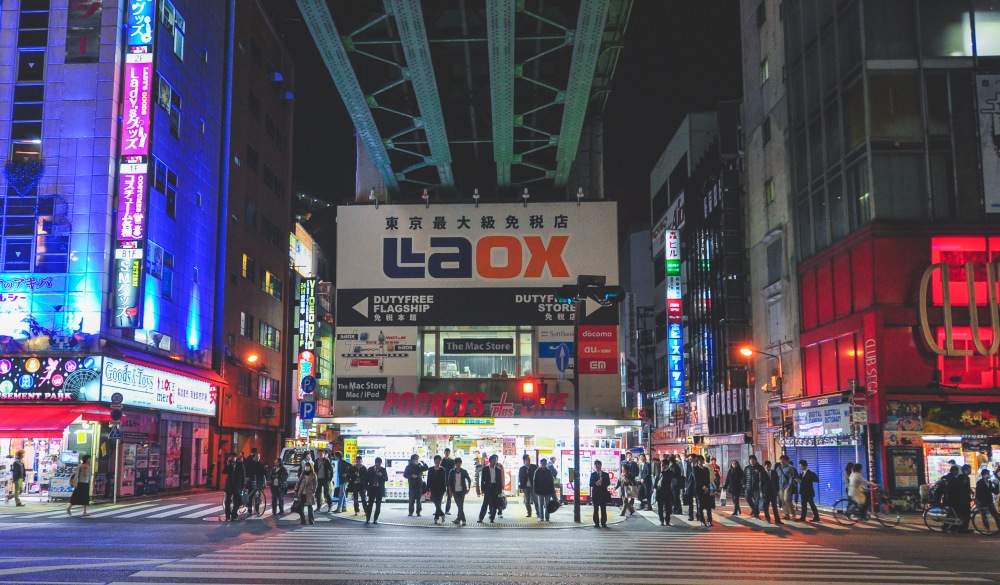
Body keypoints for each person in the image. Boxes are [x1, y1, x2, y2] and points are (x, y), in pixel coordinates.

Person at [478, 454, 504, 523]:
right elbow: (482, 480)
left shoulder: (498, 470)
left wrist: (500, 489)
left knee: (495, 503)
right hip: (488, 487)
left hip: (495, 487)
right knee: (485, 503)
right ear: (490, 461)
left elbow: (499, 480)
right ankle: (481, 518)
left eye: (495, 461)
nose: (494, 462)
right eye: (493, 461)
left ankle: (492, 518)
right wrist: (482, 489)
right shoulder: (485, 469)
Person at [947, 464, 973, 533]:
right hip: (962, 499)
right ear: (965, 470)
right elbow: (961, 488)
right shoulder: (962, 477)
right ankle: (962, 528)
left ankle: (960, 527)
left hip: (964, 498)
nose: (970, 471)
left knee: (963, 513)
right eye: (969, 469)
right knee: (965, 513)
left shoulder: (964, 477)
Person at [975, 468, 1000, 533]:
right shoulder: (979, 482)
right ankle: (987, 528)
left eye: (988, 473)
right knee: (984, 516)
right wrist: (979, 501)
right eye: (986, 474)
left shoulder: (990, 482)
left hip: (989, 501)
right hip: (982, 502)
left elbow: (995, 492)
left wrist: (996, 485)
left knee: (996, 515)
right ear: (983, 475)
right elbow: (978, 493)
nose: (987, 475)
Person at [448, 457, 472, 525]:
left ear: (461, 464)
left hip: (462, 491)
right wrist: (450, 491)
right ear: (455, 464)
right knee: (459, 505)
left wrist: (468, 488)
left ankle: (461, 519)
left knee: (460, 505)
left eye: (459, 463)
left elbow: (469, 480)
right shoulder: (452, 472)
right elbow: (449, 482)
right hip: (455, 491)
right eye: (457, 463)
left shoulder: (463, 471)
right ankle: (460, 519)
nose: (458, 464)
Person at [221, 453, 245, 521]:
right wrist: (227, 464)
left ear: (236, 458)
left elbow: (243, 476)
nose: (232, 458)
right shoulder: (229, 465)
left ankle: (234, 515)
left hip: (237, 486)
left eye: (233, 457)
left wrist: (243, 486)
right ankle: (227, 516)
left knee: (236, 501)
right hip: (229, 485)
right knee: (227, 501)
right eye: (230, 457)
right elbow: (224, 472)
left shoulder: (240, 465)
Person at [364, 457, 388, 524]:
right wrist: (365, 488)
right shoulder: (370, 469)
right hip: (372, 489)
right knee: (370, 504)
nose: (378, 465)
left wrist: (381, 476)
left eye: (379, 464)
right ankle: (368, 518)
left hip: (379, 489)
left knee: (378, 505)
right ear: (375, 463)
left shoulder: (383, 470)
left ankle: (375, 519)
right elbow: (367, 479)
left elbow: (386, 479)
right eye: (377, 463)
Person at [776, 455, 799, 520]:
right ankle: (786, 514)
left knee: (787, 500)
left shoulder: (790, 468)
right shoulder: (778, 468)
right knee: (782, 500)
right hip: (780, 486)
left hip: (787, 487)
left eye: (783, 460)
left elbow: (791, 478)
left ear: (786, 461)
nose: (781, 461)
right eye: (781, 460)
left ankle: (793, 513)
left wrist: (788, 486)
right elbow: (777, 477)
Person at [654, 455, 676, 525]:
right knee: (660, 507)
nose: (661, 466)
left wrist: (663, 472)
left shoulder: (670, 472)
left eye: (663, 465)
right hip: (659, 491)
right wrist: (655, 489)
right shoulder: (659, 472)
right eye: (661, 465)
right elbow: (656, 481)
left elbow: (668, 480)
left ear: (666, 465)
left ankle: (667, 520)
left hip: (667, 492)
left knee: (667, 507)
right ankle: (661, 520)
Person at [589, 460, 611, 528]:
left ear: (601, 465)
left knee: (603, 509)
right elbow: (590, 484)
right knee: (595, 509)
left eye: (598, 465)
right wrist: (596, 483)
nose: (597, 466)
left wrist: (601, 483)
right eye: (596, 465)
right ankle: (596, 523)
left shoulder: (605, 474)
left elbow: (608, 483)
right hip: (595, 494)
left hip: (603, 494)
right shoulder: (593, 474)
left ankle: (603, 523)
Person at [694, 455, 714, 527]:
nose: (700, 461)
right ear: (697, 461)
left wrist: (707, 488)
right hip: (699, 489)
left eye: (701, 460)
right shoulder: (695, 468)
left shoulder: (706, 469)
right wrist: (703, 487)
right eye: (699, 460)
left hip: (707, 489)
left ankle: (710, 520)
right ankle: (702, 520)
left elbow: (708, 479)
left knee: (708, 506)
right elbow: (697, 480)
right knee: (700, 505)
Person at [427, 455, 448, 524]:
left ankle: (436, 518)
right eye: (436, 460)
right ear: (434, 461)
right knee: (436, 502)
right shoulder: (430, 469)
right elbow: (428, 479)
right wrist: (428, 488)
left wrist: (445, 488)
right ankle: (442, 514)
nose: (438, 461)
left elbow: (444, 480)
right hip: (433, 488)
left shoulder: (442, 469)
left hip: (441, 488)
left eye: (439, 460)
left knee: (438, 503)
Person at [761, 460, 782, 525]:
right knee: (766, 507)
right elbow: (761, 484)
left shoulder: (774, 472)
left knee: (775, 507)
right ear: (764, 466)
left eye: (769, 466)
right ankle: (767, 519)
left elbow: (777, 482)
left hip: (773, 492)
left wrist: (777, 490)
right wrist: (761, 492)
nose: (768, 467)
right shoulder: (762, 473)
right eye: (767, 466)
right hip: (766, 492)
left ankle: (777, 520)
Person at [441, 448, 456, 515]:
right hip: (442, 479)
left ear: (449, 453)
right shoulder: (441, 461)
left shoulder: (452, 461)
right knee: (440, 495)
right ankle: (439, 509)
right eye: (446, 452)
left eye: (448, 452)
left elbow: (453, 470)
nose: (447, 453)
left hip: (449, 480)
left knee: (449, 495)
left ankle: (447, 510)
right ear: (444, 452)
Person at [683, 455, 697, 521]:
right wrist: (686, 486)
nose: (689, 459)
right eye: (689, 458)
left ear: (694, 459)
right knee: (690, 502)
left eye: (691, 458)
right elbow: (687, 477)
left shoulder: (697, 466)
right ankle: (690, 516)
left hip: (697, 486)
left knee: (698, 502)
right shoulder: (688, 466)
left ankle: (699, 515)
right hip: (690, 486)